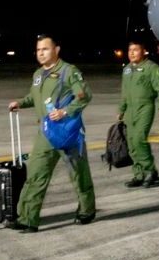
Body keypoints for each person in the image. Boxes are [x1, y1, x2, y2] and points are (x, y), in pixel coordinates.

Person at [7, 35, 96, 232]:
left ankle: (87, 209)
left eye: (45, 49)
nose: (41, 53)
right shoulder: (38, 74)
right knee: (37, 174)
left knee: (78, 173)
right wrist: (20, 103)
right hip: (46, 133)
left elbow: (84, 95)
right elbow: (35, 97)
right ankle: (28, 219)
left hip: (67, 133)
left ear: (57, 50)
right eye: (38, 50)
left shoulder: (68, 71)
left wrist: (65, 111)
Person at [118, 40, 159, 187]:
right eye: (130, 50)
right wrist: (121, 110)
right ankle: (138, 174)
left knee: (140, 138)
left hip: (145, 107)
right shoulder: (127, 70)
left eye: (136, 50)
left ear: (144, 51)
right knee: (131, 143)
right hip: (130, 110)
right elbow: (124, 92)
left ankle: (150, 170)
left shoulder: (152, 68)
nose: (132, 53)